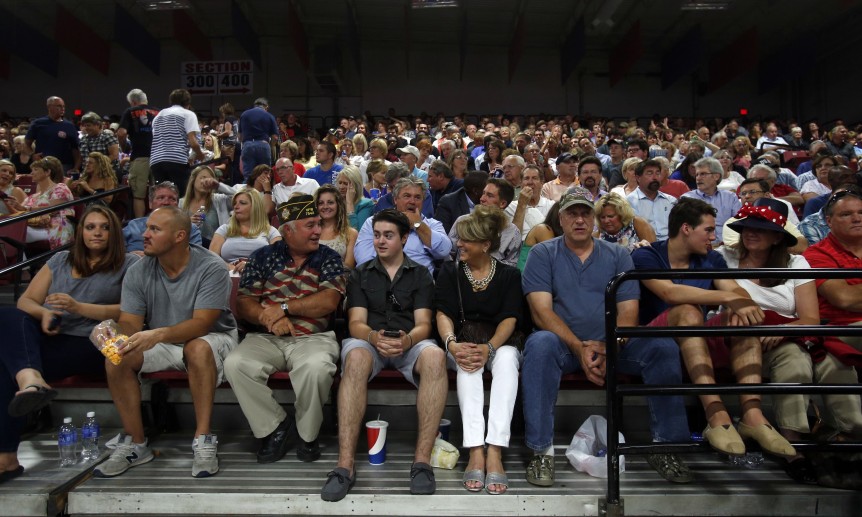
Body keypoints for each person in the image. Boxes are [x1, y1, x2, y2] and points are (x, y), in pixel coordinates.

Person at [521, 190, 694, 486]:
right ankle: (541, 452)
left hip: (612, 343)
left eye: (585, 213)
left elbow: (628, 310)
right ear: (560, 218)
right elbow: (541, 313)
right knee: (538, 344)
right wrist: (578, 347)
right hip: (564, 345)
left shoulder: (617, 254)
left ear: (594, 219)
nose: (579, 219)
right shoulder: (543, 253)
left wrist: (609, 348)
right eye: (572, 214)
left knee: (662, 347)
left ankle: (665, 447)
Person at [632, 198, 796, 460]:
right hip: (655, 344)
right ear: (686, 228)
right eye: (708, 230)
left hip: (695, 341)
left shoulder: (712, 259)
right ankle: (715, 413)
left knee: (742, 319)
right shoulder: (646, 254)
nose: (714, 236)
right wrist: (728, 300)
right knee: (688, 310)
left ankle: (753, 415)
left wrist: (739, 303)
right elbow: (669, 292)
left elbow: (735, 290)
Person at [717, 198, 860, 483]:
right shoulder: (724, 257)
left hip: (795, 335)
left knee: (835, 361)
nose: (750, 233)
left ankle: (848, 434)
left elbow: (810, 318)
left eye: (761, 228)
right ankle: (793, 447)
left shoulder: (797, 262)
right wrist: (769, 325)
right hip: (747, 342)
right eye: (746, 227)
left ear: (777, 237)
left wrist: (783, 329)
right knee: (795, 360)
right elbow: (731, 300)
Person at [94, 206, 238, 479]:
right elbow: (131, 325)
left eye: (154, 229)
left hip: (214, 338)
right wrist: (111, 332)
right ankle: (136, 444)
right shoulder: (138, 270)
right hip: (164, 338)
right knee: (116, 356)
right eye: (146, 227)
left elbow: (201, 324)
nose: (144, 234)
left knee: (196, 346)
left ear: (179, 236)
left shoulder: (211, 266)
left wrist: (157, 334)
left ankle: (204, 438)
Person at [0, 205, 137, 483]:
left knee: (3, 370)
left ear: (114, 232)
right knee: (7, 315)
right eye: (90, 227)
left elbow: (132, 311)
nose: (96, 233)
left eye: (104, 227)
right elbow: (26, 301)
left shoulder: (130, 263)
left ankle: (6, 458)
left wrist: (79, 307)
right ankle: (31, 379)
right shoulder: (61, 260)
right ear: (80, 232)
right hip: (56, 336)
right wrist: (45, 313)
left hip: (97, 342)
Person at [320, 209, 447, 502]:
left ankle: (421, 462)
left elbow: (424, 325)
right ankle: (344, 466)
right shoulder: (361, 273)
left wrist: (407, 341)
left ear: (404, 238)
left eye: (388, 235)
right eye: (376, 235)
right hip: (369, 341)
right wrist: (374, 338)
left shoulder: (421, 274)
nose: (380, 241)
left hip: (409, 342)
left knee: (435, 357)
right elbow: (355, 324)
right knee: (354, 358)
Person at [224, 195, 347, 466]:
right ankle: (274, 427)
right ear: (288, 230)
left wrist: (284, 307)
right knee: (235, 364)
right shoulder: (262, 257)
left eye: (318, 224)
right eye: (310, 225)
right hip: (265, 337)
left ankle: (308, 435)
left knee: (316, 367)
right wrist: (269, 318)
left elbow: (329, 301)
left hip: (313, 338)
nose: (318, 231)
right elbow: (244, 303)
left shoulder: (328, 257)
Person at [435, 206, 523, 494]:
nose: (459, 244)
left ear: (486, 245)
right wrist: (452, 344)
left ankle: (495, 449)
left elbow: (510, 317)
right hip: (461, 339)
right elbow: (443, 313)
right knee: (465, 363)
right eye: (460, 239)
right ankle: (475, 448)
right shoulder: (450, 271)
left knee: (508, 359)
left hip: (499, 340)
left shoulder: (509, 275)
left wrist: (490, 348)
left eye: (466, 241)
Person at [355, 177, 451, 274]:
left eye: (417, 197)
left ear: (423, 201)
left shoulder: (432, 225)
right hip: (379, 281)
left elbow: (444, 251)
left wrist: (419, 225)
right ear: (395, 199)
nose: (412, 201)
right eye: (407, 196)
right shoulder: (373, 222)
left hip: (419, 283)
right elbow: (363, 259)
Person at [2, 157, 74, 249]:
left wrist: (26, 209)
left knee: (14, 232)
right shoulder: (33, 197)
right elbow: (19, 213)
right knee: (10, 230)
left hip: (54, 227)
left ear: (47, 172)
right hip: (34, 227)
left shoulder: (60, 188)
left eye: (35, 170)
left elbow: (53, 210)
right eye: (32, 170)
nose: (31, 173)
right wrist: (10, 204)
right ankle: (21, 262)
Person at [209, 188, 281, 274]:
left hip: (260, 275)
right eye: (235, 203)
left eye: (242, 203)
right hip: (226, 274)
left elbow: (278, 258)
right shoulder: (224, 229)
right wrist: (229, 267)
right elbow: (212, 256)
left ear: (255, 207)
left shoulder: (271, 231)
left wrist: (251, 265)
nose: (236, 206)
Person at [150, 89, 204, 195]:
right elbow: (193, 143)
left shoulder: (158, 116)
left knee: (163, 197)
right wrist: (200, 155)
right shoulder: (188, 114)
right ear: (187, 103)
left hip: (156, 161)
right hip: (176, 160)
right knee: (182, 197)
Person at [123, 181, 202, 253]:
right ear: (150, 203)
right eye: (161, 198)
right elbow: (116, 254)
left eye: (172, 199)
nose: (166, 202)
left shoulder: (191, 229)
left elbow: (195, 259)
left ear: (177, 205)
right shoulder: (134, 225)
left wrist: (149, 259)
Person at [117, 89, 159, 218]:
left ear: (133, 102)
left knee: (138, 195)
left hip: (140, 156)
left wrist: (124, 147)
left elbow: (121, 133)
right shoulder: (158, 112)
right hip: (159, 156)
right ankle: (160, 221)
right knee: (159, 193)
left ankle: (140, 225)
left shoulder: (130, 111)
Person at [681, 157, 741, 245]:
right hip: (697, 247)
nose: (698, 178)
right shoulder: (687, 199)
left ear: (716, 176)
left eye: (703, 174)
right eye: (697, 175)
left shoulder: (730, 197)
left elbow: (738, 224)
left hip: (728, 246)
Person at [179, 165, 238, 248]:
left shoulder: (219, 200)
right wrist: (187, 224)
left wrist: (219, 186)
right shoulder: (180, 203)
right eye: (203, 177)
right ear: (193, 180)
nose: (206, 181)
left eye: (210, 178)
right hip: (188, 249)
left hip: (214, 249)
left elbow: (241, 197)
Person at [25, 96, 81, 172]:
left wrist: (76, 167)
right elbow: (27, 143)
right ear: (49, 107)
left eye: (63, 106)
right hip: (43, 165)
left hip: (64, 166)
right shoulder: (38, 123)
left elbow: (76, 149)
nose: (62, 108)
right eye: (59, 106)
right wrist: (32, 156)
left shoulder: (69, 126)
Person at [626, 159, 678, 241]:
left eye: (657, 173)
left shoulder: (671, 201)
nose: (655, 177)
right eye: (649, 173)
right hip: (644, 246)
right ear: (638, 178)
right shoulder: (628, 202)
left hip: (671, 246)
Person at [316, 184, 358, 269]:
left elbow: (348, 267)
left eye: (330, 202)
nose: (325, 207)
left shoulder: (351, 234)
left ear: (338, 205)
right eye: (321, 203)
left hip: (340, 279)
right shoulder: (311, 232)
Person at [239, 98, 279, 179]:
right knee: (265, 174)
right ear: (266, 107)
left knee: (248, 175)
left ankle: (249, 191)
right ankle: (264, 191)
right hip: (263, 145)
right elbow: (275, 137)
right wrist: (270, 145)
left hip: (248, 145)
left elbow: (240, 135)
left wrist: (246, 144)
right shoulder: (269, 116)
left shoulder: (244, 114)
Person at [335, 165, 373, 230]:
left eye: (345, 184)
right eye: (340, 183)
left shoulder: (365, 205)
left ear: (356, 186)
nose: (341, 187)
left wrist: (349, 203)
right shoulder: (335, 202)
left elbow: (357, 232)